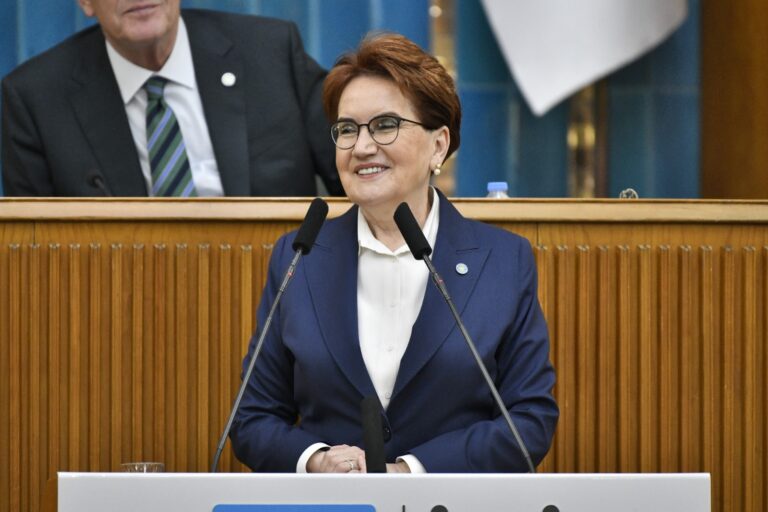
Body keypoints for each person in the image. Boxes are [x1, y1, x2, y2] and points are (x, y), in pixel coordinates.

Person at [230, 33, 558, 473]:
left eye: (385, 125)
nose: (362, 147)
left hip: (449, 504)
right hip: (337, 504)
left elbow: (530, 421)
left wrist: (410, 471)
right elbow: (252, 419)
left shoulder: (503, 260)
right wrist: (317, 462)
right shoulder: (299, 257)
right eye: (347, 130)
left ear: (438, 145)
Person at [1, 0, 342, 197]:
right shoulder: (36, 100)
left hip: (279, 286)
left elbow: (356, 174)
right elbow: (36, 255)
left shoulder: (270, 52)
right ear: (86, 2)